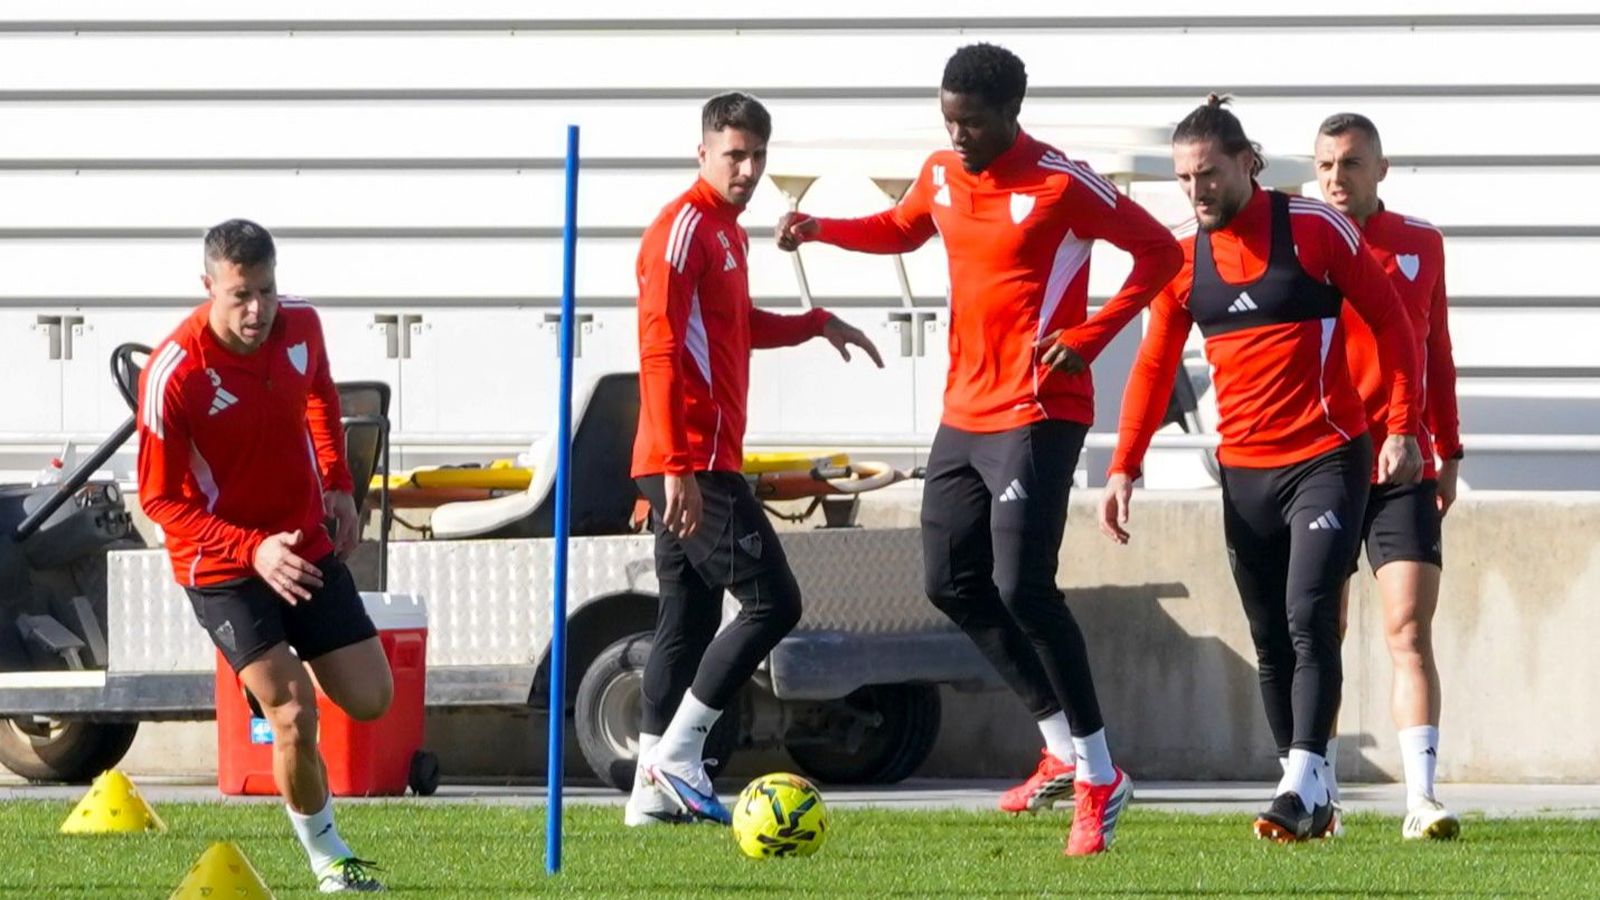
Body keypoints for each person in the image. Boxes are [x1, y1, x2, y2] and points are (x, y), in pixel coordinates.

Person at [778, 43, 1182, 855]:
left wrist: (1092, 333)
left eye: (973, 122)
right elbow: (902, 230)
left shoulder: (1063, 183)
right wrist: (821, 229)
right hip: (963, 412)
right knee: (951, 582)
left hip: (1039, 408)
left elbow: (1162, 253)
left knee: (1025, 587)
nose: (958, 135)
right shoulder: (939, 171)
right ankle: (1061, 750)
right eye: (949, 120)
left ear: (1011, 114)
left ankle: (1102, 774)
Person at [1097, 96, 1425, 842]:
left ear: (1246, 164)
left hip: (1326, 456)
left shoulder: (1312, 229)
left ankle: (1300, 784)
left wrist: (1403, 426)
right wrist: (1123, 467)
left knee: (1311, 616)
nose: (1196, 190)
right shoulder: (1183, 258)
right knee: (1271, 635)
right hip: (1242, 472)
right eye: (1183, 178)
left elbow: (1395, 323)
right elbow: (1153, 366)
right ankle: (1311, 796)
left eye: (1207, 174)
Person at [626, 92, 884, 827]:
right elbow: (660, 347)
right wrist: (676, 464)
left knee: (687, 619)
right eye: (733, 154)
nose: (746, 169)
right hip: (691, 461)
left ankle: (649, 795)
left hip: (697, 457)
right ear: (702, 153)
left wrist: (813, 323)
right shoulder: (681, 229)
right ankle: (677, 758)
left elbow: (734, 327)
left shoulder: (728, 235)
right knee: (775, 602)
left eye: (757, 156)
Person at [137, 219, 388, 892]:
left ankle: (285, 703)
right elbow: (160, 501)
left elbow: (321, 399)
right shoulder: (174, 373)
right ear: (208, 287)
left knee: (371, 698)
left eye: (267, 292)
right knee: (294, 713)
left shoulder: (301, 329)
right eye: (240, 295)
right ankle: (330, 857)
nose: (256, 311)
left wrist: (338, 485)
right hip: (221, 567)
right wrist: (253, 549)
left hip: (302, 544)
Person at [1315, 112, 1463, 840]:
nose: (1337, 179)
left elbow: (1437, 348)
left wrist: (1450, 447)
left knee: (1408, 627)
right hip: (1324, 464)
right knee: (1325, 628)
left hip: (1405, 464)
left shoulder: (1419, 243)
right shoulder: (1308, 242)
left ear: (1380, 169)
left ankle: (1423, 798)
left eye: (1350, 164)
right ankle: (1322, 798)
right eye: (1325, 167)